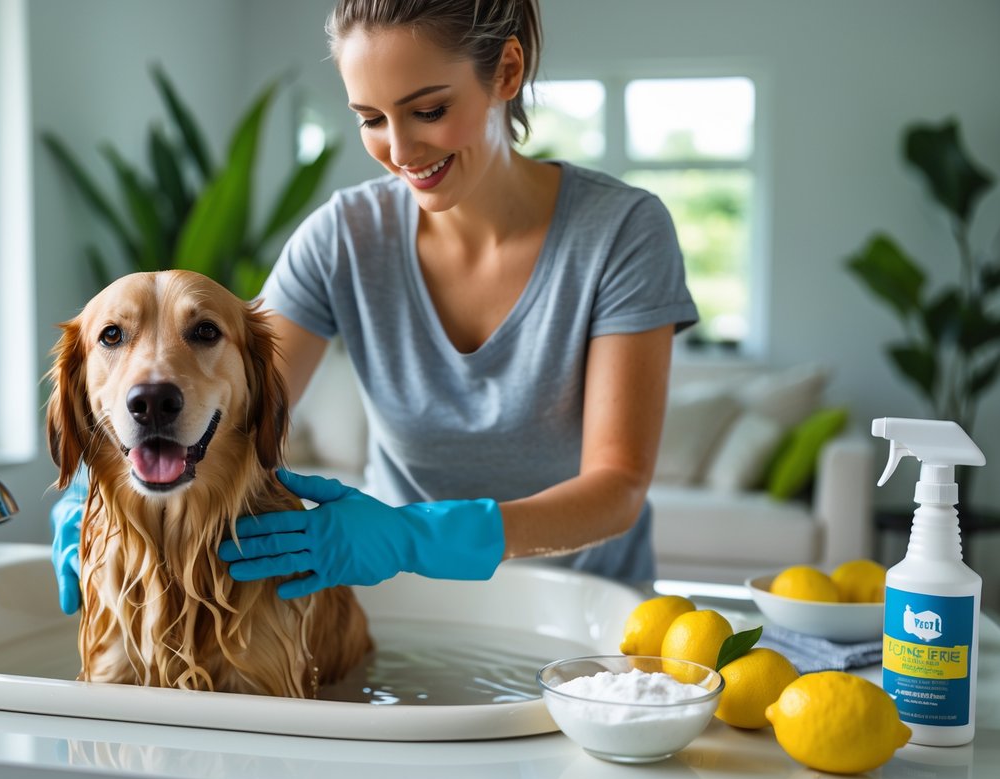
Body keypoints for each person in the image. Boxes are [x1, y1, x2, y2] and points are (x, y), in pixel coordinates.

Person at [50, 0, 696, 614]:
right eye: (370, 118)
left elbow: (617, 488)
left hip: (584, 611)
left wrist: (414, 535)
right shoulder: (341, 240)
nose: (401, 151)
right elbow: (232, 401)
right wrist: (99, 485)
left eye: (429, 110)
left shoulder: (621, 232)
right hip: (403, 608)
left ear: (506, 70)